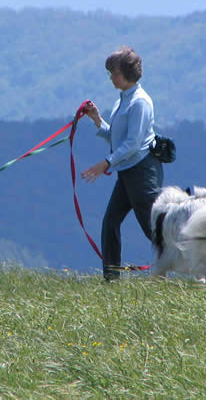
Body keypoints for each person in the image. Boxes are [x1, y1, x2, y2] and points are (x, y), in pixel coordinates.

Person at [81, 46, 164, 281]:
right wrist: (97, 119)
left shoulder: (140, 102)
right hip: (127, 172)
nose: (110, 77)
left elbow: (133, 144)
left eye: (113, 73)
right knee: (110, 223)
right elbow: (118, 139)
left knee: (152, 229)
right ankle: (111, 279)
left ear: (127, 73)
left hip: (142, 172)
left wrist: (104, 164)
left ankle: (195, 268)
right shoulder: (123, 100)